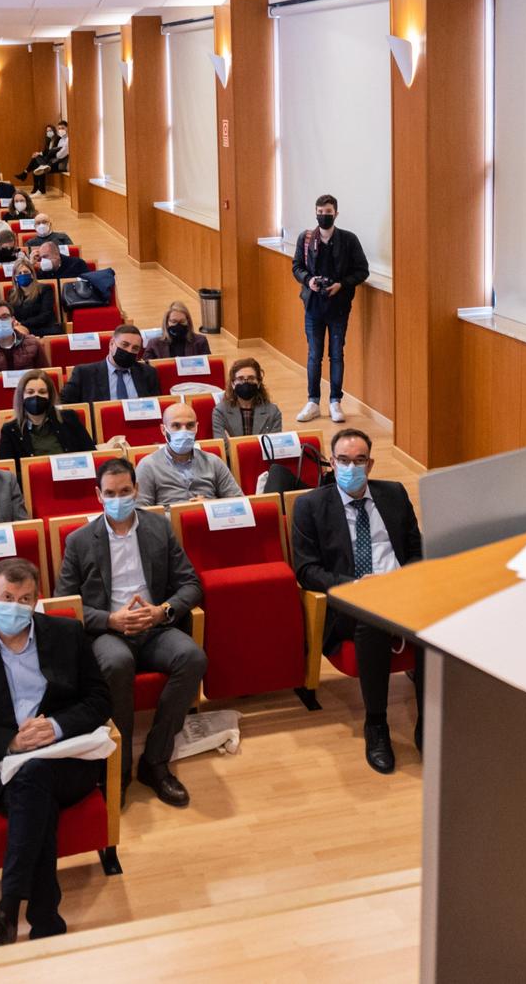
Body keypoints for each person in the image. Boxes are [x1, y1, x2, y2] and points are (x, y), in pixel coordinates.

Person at [0, 557, 110, 950]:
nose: (15, 606)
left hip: (68, 759)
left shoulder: (67, 633)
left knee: (36, 778)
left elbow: (100, 699)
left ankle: (6, 912)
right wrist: (10, 742)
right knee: (34, 780)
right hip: (9, 767)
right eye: (7, 597)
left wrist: (57, 726)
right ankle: (44, 915)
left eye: (25, 599)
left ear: (37, 600)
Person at [55, 460, 204, 804]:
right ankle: (118, 769)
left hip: (154, 627)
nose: (118, 499)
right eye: (110, 493)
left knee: (193, 657)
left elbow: (191, 584)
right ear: (98, 495)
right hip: (109, 633)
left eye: (125, 491)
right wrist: (110, 620)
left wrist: (162, 611)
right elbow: (65, 605)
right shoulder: (79, 541)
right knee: (117, 663)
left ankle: (155, 760)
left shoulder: (159, 527)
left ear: (136, 490)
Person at [290, 428, 424, 774]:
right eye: (344, 460)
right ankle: (376, 724)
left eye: (360, 460)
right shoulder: (310, 506)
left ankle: (428, 722)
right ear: (332, 463)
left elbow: (417, 550)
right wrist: (356, 586)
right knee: (372, 620)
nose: (352, 467)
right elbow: (307, 570)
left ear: (371, 464)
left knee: (436, 618)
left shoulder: (394, 494)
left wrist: (399, 580)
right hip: (350, 601)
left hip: (401, 590)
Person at [291, 193, 369, 425]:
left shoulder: (349, 240)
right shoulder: (306, 239)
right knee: (314, 355)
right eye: (320, 212)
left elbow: (362, 270)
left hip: (339, 307)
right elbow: (296, 267)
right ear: (315, 213)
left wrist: (341, 284)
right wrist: (309, 280)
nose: (323, 216)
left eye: (328, 212)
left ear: (336, 214)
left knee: (336, 354)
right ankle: (313, 402)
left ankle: (335, 401)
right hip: (313, 306)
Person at [134, 401, 242, 506]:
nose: (184, 431)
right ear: (163, 429)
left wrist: (211, 505)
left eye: (190, 425)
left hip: (209, 517)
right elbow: (140, 512)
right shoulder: (148, 466)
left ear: (196, 427)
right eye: (176, 426)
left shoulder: (213, 462)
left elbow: (239, 503)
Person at [0, 372, 92, 462]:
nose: (36, 396)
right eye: (30, 392)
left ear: (50, 396)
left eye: (42, 392)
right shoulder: (10, 429)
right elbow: (8, 470)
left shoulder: (69, 418)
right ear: (21, 396)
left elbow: (91, 455)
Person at [60, 325, 159, 404]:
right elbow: (65, 405)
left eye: (135, 348)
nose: (129, 351)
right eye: (125, 345)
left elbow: (157, 406)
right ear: (111, 344)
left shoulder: (148, 373)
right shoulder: (84, 373)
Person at [213, 357, 283, 439]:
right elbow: (222, 443)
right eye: (240, 379)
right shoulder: (220, 411)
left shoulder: (273, 412)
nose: (245, 383)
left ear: (258, 383)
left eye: (251, 378)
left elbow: (274, 443)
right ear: (233, 384)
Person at [3, 257, 62, 337]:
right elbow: (11, 315)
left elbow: (45, 315)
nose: (23, 274)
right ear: (15, 278)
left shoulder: (45, 289)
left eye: (26, 272)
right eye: (19, 273)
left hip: (45, 328)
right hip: (22, 329)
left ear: (32, 275)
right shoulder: (11, 294)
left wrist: (22, 323)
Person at [142, 301, 208, 360]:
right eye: (174, 321)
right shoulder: (154, 344)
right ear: (167, 323)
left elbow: (209, 366)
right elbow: (145, 368)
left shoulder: (200, 341)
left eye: (182, 321)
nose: (178, 325)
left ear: (188, 321)